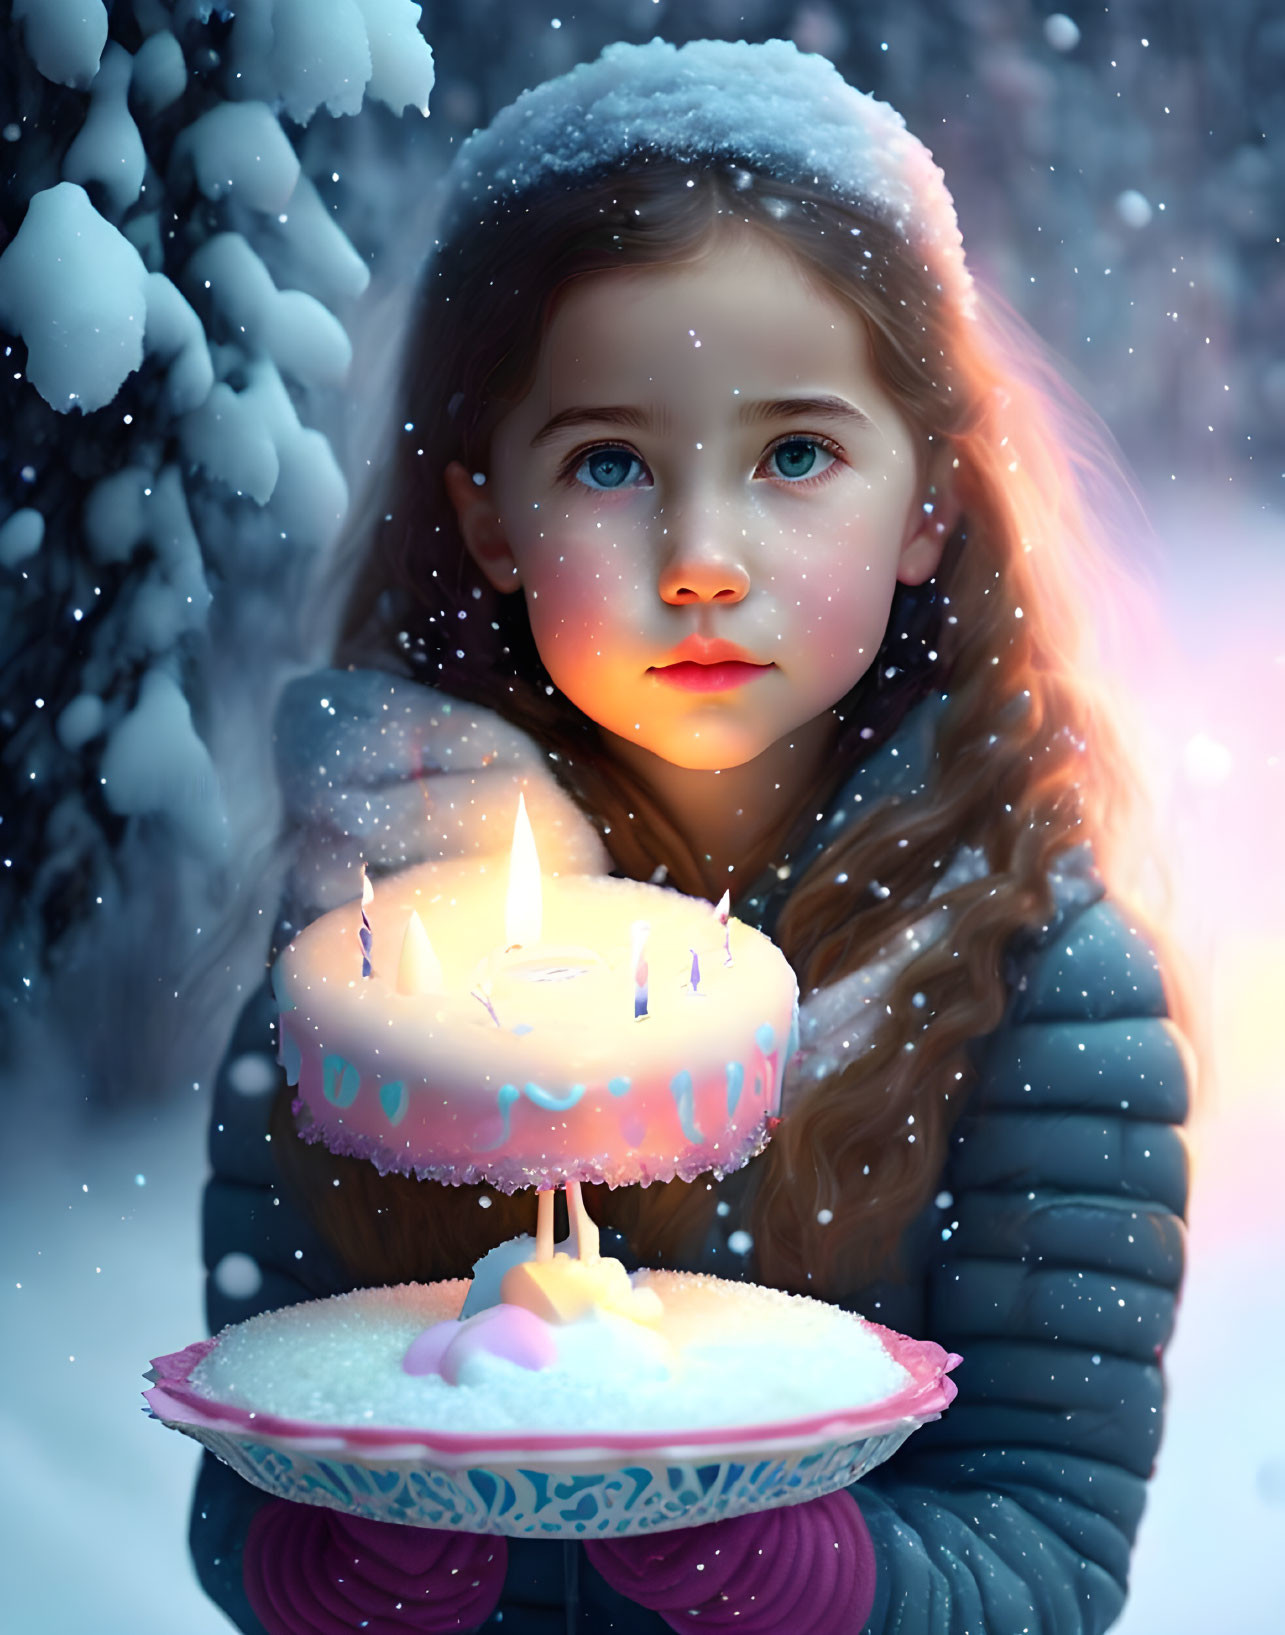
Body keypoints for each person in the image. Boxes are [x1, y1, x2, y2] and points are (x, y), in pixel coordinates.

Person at [191, 38, 1193, 1635]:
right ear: (489, 521)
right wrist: (351, 1563)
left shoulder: (1039, 986)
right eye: (609, 462)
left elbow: (1051, 1553)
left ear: (927, 502)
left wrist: (786, 1566)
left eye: (794, 454)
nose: (703, 556)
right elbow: (250, 1471)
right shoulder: (375, 953)